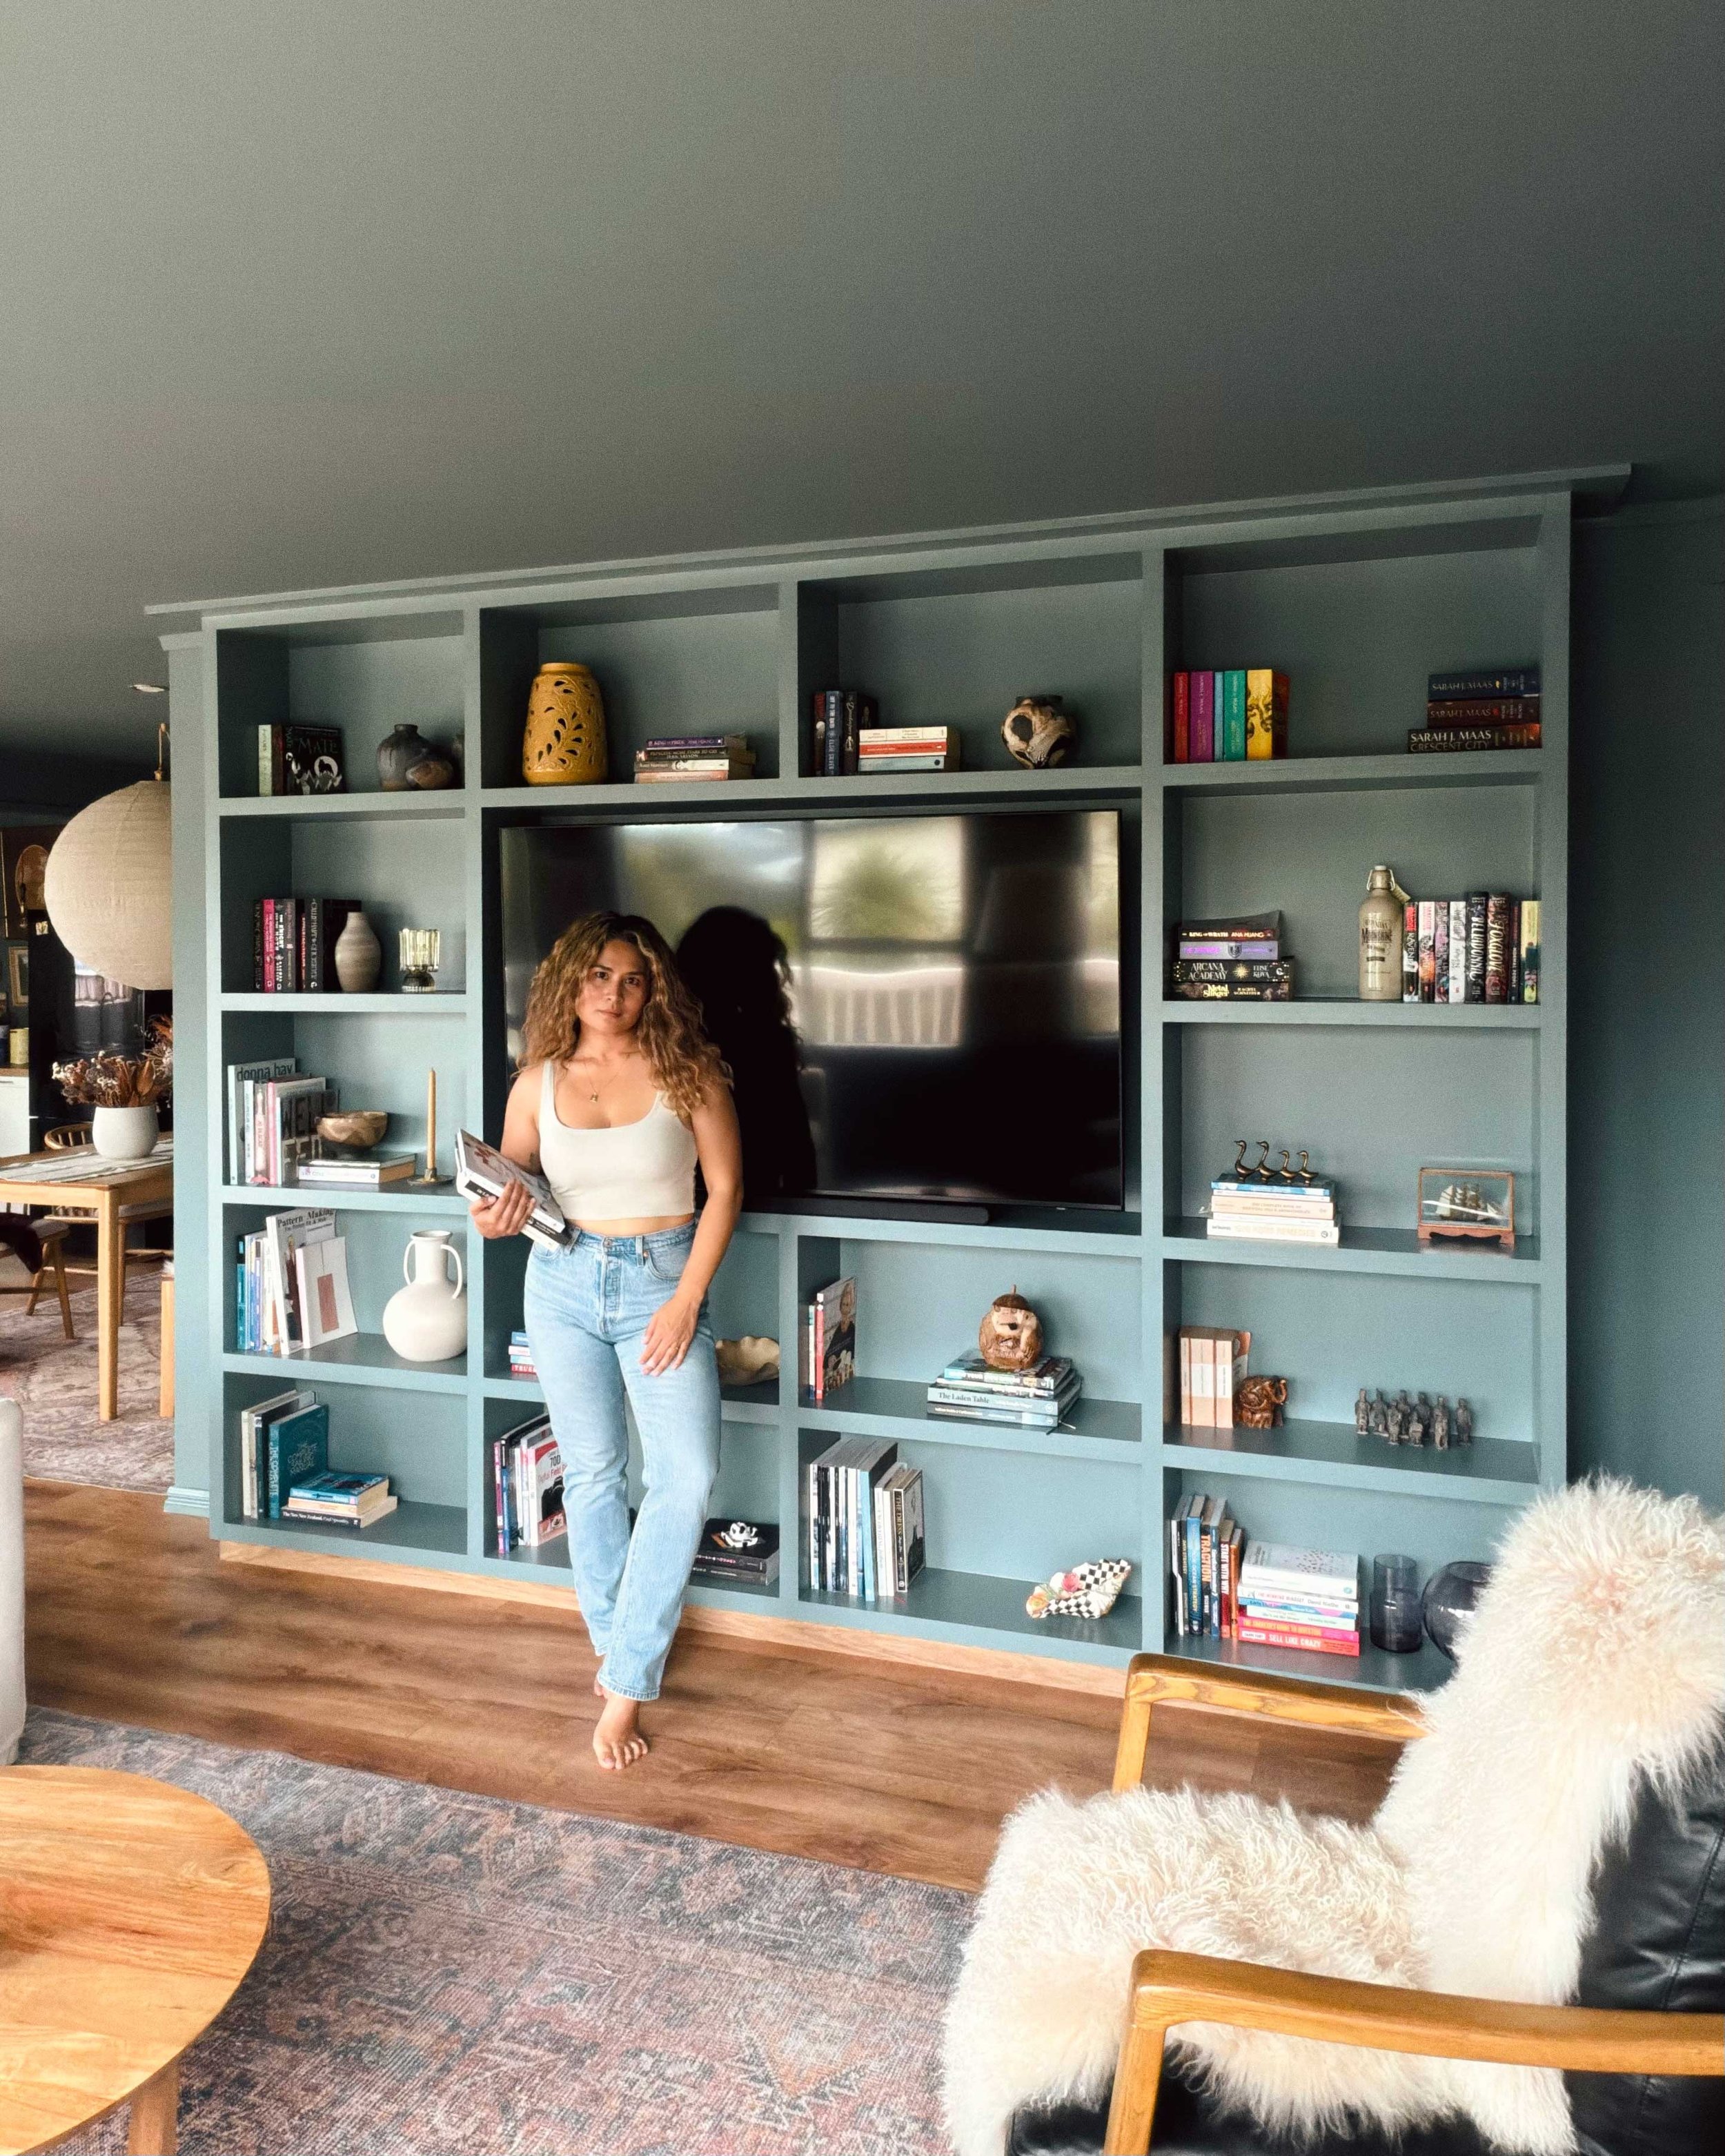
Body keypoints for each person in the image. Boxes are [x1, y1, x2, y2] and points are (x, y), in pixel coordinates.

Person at [469, 911, 741, 1770]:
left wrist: (686, 1300)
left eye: (629, 977)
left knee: (686, 1474)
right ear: (569, 983)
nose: (613, 993)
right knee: (590, 1473)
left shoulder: (687, 1071)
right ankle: (616, 1646)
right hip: (562, 1280)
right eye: (596, 976)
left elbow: (726, 1189)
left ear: (651, 985)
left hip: (664, 1278)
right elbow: (500, 1200)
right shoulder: (535, 1082)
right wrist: (491, 1215)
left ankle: (625, 1681)